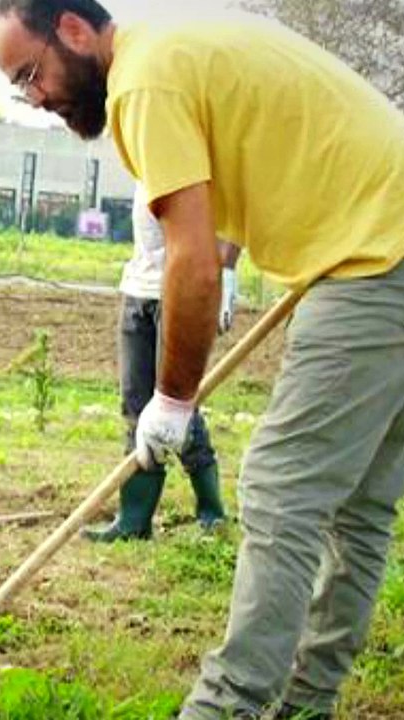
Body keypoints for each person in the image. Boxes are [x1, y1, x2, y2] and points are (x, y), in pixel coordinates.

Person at [0, 2, 404, 718]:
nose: (35, 97)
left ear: (73, 31)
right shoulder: (175, 48)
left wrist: (170, 401)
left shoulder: (143, 82)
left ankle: (227, 707)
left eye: (29, 74)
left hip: (380, 255)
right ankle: (306, 704)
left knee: (280, 488)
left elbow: (192, 263)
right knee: (359, 510)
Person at [82, 184, 239, 542]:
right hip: (139, 287)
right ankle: (133, 521)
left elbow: (235, 209)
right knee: (136, 408)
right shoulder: (142, 142)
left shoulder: (199, 142)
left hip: (181, 293)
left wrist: (225, 272)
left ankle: (212, 514)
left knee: (179, 407)